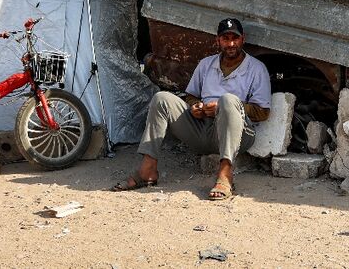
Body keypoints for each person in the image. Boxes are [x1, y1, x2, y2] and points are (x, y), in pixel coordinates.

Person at [113, 18, 271, 200]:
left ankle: (226, 174)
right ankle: (148, 170)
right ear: (217, 41)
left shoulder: (256, 69)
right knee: (161, 98)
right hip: (202, 130)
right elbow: (191, 96)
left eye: (235, 38)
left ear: (242, 39)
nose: (231, 44)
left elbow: (263, 112)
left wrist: (223, 107)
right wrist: (195, 106)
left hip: (238, 135)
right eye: (225, 39)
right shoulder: (206, 64)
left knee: (227, 100)